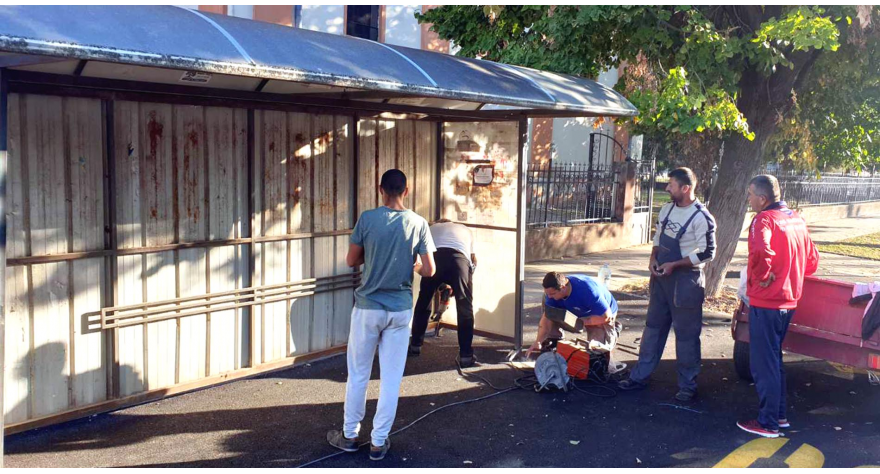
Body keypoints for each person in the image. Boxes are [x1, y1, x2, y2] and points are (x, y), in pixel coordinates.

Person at [326, 169, 436, 461]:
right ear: (406, 191)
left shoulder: (367, 219)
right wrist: (413, 265)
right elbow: (430, 270)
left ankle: (350, 435)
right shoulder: (418, 223)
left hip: (368, 308)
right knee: (391, 378)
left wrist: (373, 254)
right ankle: (378, 442)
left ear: (380, 189)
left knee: (358, 374)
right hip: (399, 310)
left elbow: (352, 260)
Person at [618, 167, 716, 402]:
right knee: (653, 328)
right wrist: (653, 258)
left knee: (687, 336)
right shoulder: (667, 209)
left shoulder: (702, 217)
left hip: (686, 283)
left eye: (671, 185)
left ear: (686, 188)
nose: (667, 188)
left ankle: (687, 385)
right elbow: (658, 236)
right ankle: (639, 377)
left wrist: (675, 264)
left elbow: (708, 253)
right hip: (661, 280)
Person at [737, 175, 818, 438]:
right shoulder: (796, 219)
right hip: (789, 300)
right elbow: (812, 261)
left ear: (762, 198)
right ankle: (778, 417)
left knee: (764, 363)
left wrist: (763, 275)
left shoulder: (763, 219)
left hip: (768, 301)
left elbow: (761, 251)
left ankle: (768, 423)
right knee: (774, 359)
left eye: (750, 194)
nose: (748, 199)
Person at [408, 219, 479, 367]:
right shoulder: (464, 229)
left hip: (435, 258)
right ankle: (466, 355)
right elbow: (473, 259)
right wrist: (465, 284)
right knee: (464, 307)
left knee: (424, 300)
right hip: (459, 260)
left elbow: (421, 254)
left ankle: (415, 345)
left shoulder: (431, 228)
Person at [528, 272, 621, 358]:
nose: (549, 297)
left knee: (598, 355)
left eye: (552, 294)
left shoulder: (588, 291)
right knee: (550, 309)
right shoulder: (551, 295)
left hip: (599, 314)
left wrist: (580, 322)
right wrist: (538, 341)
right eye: (547, 293)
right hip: (574, 308)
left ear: (563, 287)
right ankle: (553, 341)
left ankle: (614, 330)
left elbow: (606, 317)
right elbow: (547, 317)